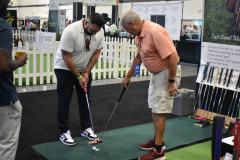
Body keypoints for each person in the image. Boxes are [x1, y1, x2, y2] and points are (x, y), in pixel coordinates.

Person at [120, 10, 181, 160]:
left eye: (127, 29)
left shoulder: (155, 32)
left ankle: (158, 152)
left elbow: (173, 57)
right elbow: (139, 58)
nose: (128, 32)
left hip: (167, 73)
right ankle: (158, 140)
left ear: (132, 24)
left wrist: (171, 82)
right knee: (155, 109)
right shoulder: (139, 35)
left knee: (159, 111)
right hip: (157, 74)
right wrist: (128, 77)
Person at [53, 13, 105, 146]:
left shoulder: (99, 32)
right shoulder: (71, 31)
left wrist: (87, 72)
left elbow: (96, 53)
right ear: (86, 22)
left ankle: (86, 128)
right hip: (64, 67)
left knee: (85, 97)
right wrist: (78, 76)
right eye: (92, 30)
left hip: (83, 67)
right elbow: (66, 56)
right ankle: (64, 131)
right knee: (65, 99)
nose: (94, 34)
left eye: (97, 31)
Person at [0, 0, 28, 159]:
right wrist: (20, 61)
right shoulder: (2, 26)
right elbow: (3, 65)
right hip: (3, 98)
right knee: (6, 145)